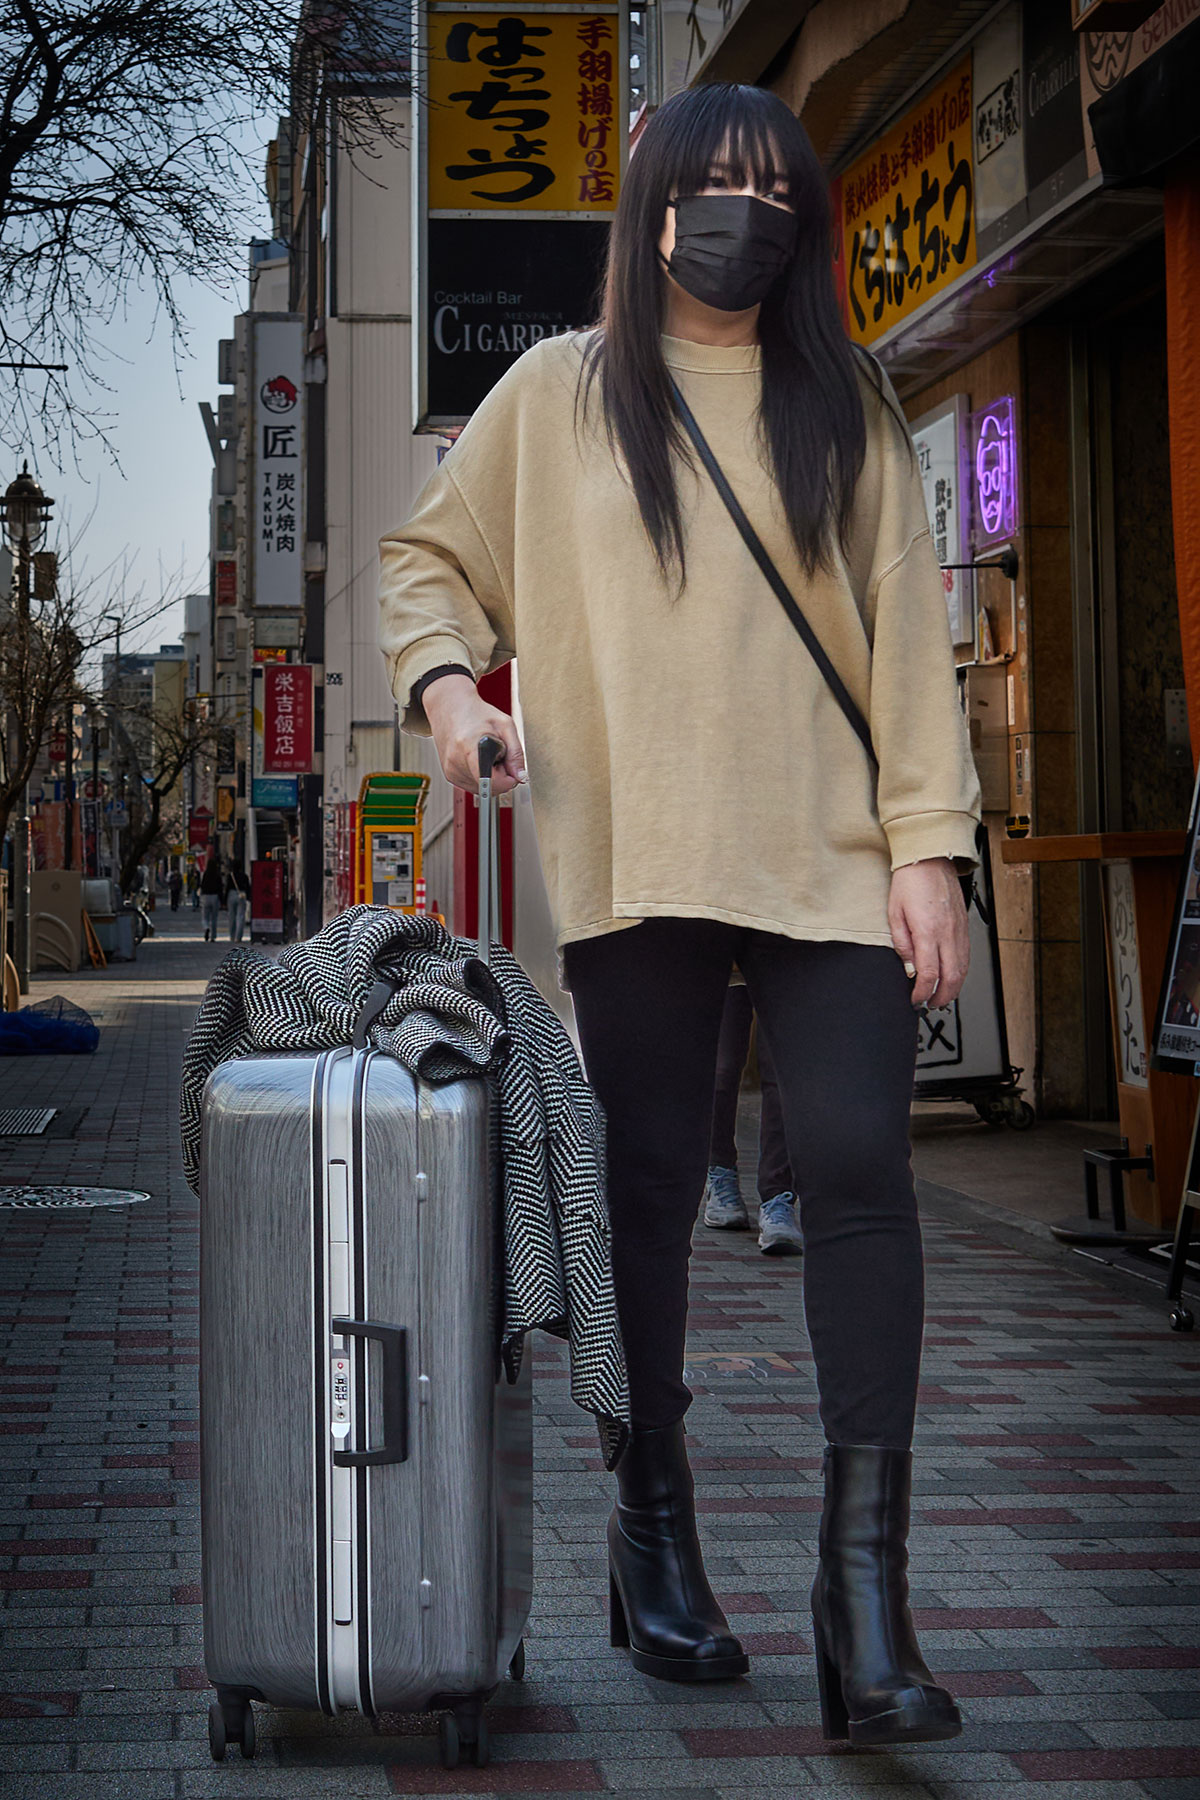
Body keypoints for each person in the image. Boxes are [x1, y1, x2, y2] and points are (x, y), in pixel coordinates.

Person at [379, 84, 978, 1746]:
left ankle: (865, 1606)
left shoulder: (846, 398)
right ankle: (653, 1531)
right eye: (706, 185)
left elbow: (907, 641)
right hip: (636, 855)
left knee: (856, 1171)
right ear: (648, 212)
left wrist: (929, 848)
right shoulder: (558, 394)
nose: (738, 214)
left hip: (836, 861)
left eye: (769, 190)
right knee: (645, 1193)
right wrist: (452, 696)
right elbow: (425, 561)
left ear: (805, 220)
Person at [703, 982, 802, 1255]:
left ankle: (778, 1198)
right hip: (724, 962)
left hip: (783, 959)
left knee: (781, 1072)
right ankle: (719, 1174)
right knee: (721, 1068)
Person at [199, 853, 223, 943]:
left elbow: (202, 885)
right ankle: (213, 937)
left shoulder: (205, 874)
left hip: (206, 897)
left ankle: (206, 927)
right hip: (215, 897)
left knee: (205, 917)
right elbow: (220, 888)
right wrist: (222, 900)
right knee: (214, 918)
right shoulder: (217, 875)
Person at [226, 863, 250, 943]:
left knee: (231, 916)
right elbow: (248, 887)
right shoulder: (244, 876)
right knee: (241, 916)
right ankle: (238, 937)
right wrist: (249, 897)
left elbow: (227, 887)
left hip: (231, 894)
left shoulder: (230, 876)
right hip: (242, 894)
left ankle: (232, 936)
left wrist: (224, 899)